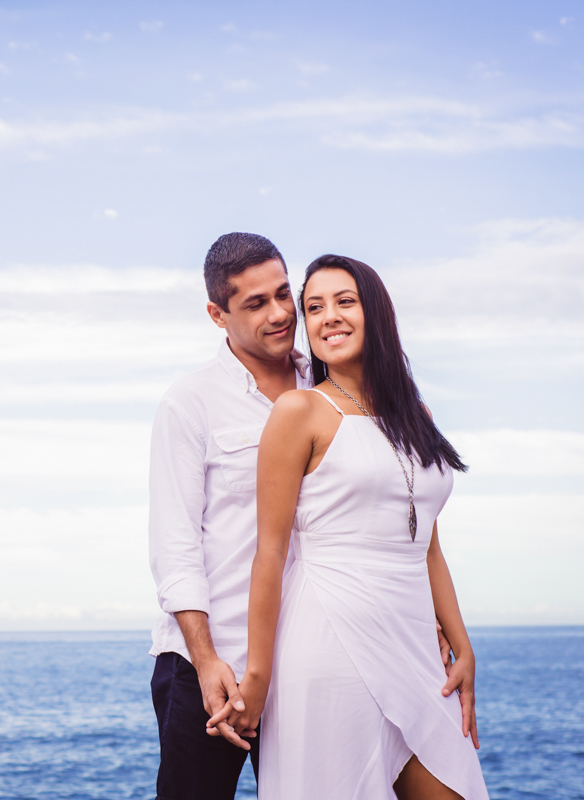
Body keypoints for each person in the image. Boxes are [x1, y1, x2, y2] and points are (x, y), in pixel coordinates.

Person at [221, 255, 489, 799]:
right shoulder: (300, 411)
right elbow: (269, 554)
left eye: (345, 301)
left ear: (377, 312)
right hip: (328, 643)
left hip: (414, 647)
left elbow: (428, 545)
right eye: (314, 307)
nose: (328, 317)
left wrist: (464, 648)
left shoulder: (418, 415)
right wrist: (258, 674)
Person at [148, 232, 312, 799]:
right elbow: (175, 544)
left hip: (310, 661)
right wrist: (207, 657)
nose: (281, 314)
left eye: (284, 294)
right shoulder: (189, 401)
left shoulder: (331, 386)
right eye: (256, 304)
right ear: (217, 314)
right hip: (211, 669)